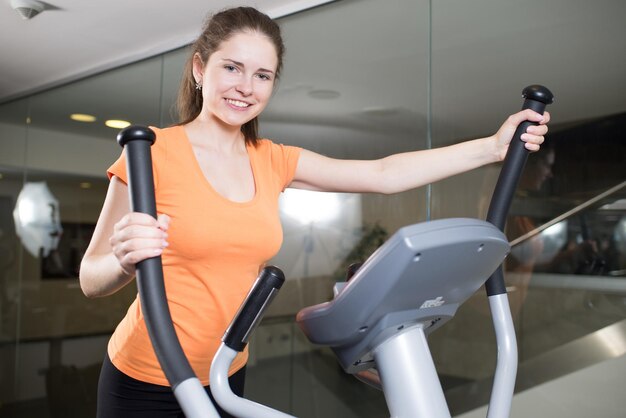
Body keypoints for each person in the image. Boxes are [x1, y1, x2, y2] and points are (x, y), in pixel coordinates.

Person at [78, 6, 550, 418]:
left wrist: (492, 147)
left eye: (262, 76)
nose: (245, 87)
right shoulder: (152, 154)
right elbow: (90, 278)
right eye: (232, 68)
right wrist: (123, 260)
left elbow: (382, 174)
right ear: (200, 68)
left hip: (225, 372)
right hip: (144, 376)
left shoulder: (271, 158)